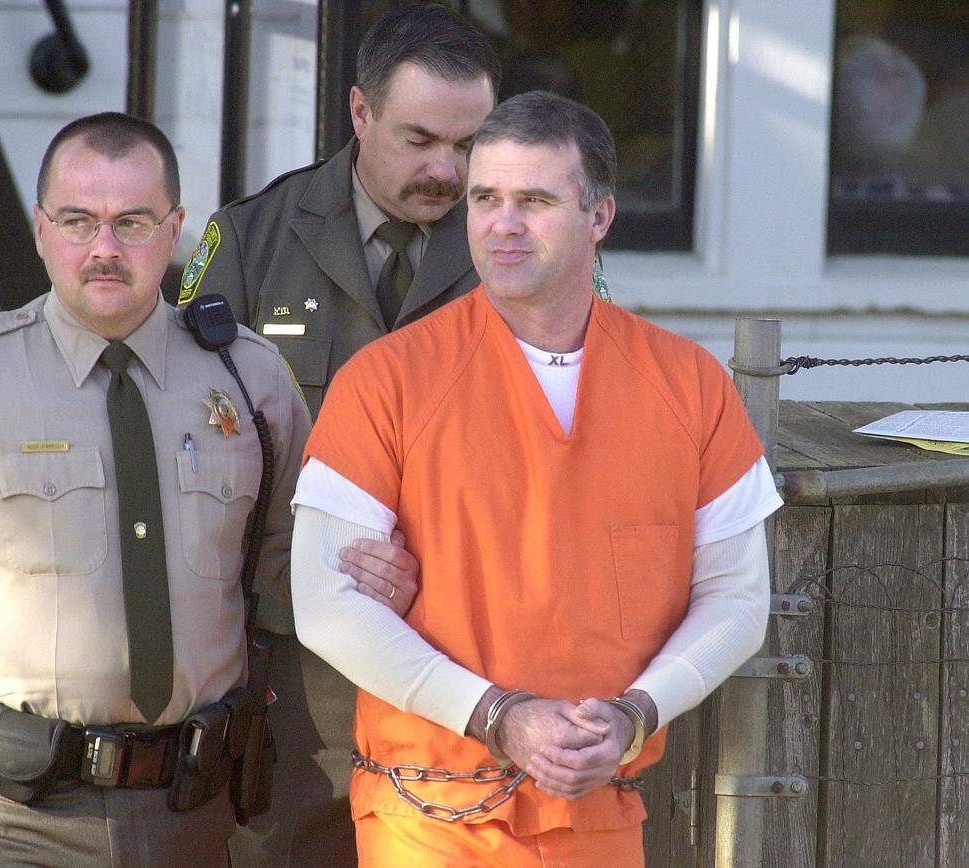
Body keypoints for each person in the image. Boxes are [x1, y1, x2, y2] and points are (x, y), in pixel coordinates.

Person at [290, 91, 785, 865]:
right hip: (428, 818)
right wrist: (498, 715)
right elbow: (326, 603)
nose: (503, 224)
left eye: (536, 201)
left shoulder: (690, 384)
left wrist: (633, 716)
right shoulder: (386, 379)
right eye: (485, 198)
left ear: (600, 216)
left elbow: (738, 596)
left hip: (601, 808)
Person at [0, 112, 316, 866]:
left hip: (196, 813)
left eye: (133, 222)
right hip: (15, 820)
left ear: (175, 229)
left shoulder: (251, 381)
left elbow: (299, 572)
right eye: (78, 221)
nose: (104, 248)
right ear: (40, 228)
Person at [179, 5, 502, 863]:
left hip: (469, 642)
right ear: (360, 112)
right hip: (295, 647)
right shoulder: (253, 237)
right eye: (420, 139)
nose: (447, 170)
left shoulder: (519, 242)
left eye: (469, 144)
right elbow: (191, 447)